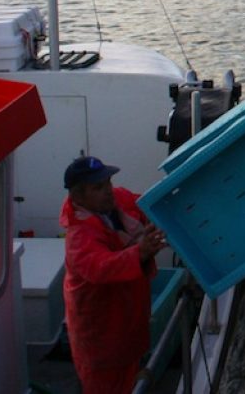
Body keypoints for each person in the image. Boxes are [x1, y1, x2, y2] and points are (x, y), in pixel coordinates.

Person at [60, 155, 167, 393]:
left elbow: (145, 203)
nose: (108, 190)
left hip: (128, 325)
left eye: (107, 182)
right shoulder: (79, 238)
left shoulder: (115, 200)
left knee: (129, 373)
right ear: (78, 197)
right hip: (102, 341)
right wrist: (140, 252)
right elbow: (101, 267)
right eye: (98, 187)